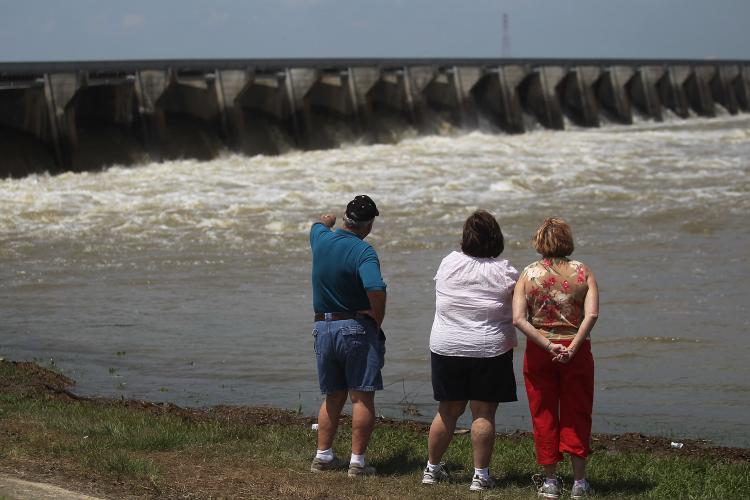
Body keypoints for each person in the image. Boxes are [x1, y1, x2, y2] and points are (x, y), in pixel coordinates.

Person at [422, 210, 519, 492]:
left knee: (448, 410)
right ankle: (480, 476)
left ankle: (431, 469)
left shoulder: (449, 262)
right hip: (489, 349)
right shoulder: (505, 271)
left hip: (446, 345)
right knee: (483, 413)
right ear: (496, 238)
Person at [512, 217, 599, 499]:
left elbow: (518, 319)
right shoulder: (583, 271)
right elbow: (592, 314)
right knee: (578, 412)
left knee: (543, 412)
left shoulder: (528, 274)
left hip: (540, 352)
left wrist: (548, 346)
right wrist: (572, 346)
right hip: (576, 350)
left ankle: (550, 482)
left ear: (539, 242)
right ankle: (579, 482)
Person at [308, 194, 387, 478]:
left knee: (333, 396)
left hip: (323, 327)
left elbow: (319, 223)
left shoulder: (320, 239)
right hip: (353, 327)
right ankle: (357, 462)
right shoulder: (363, 251)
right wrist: (376, 319)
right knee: (361, 397)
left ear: (346, 219)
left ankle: (323, 455)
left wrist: (326, 220)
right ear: (369, 225)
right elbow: (375, 287)